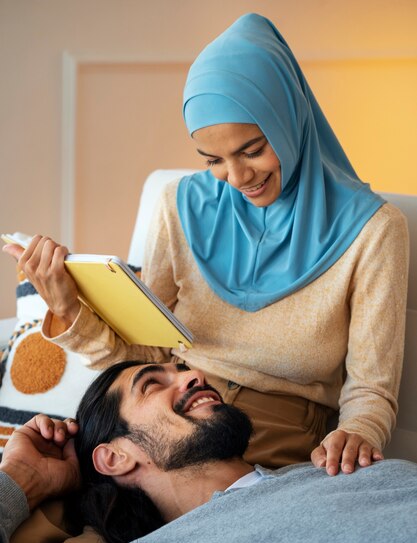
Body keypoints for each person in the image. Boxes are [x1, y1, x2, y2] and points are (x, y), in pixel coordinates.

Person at [2, 13, 409, 475]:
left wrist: (358, 433)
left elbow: (371, 389)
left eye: (253, 149)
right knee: (42, 503)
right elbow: (147, 355)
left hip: (276, 431)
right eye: (213, 159)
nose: (237, 178)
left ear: (290, 120)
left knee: (160, 535)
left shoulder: (374, 229)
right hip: (165, 414)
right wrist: (71, 310)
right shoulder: (179, 204)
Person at [0, 359, 417, 543]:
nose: (194, 376)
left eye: (181, 368)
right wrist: (20, 478)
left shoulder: (340, 463)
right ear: (116, 458)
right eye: (151, 384)